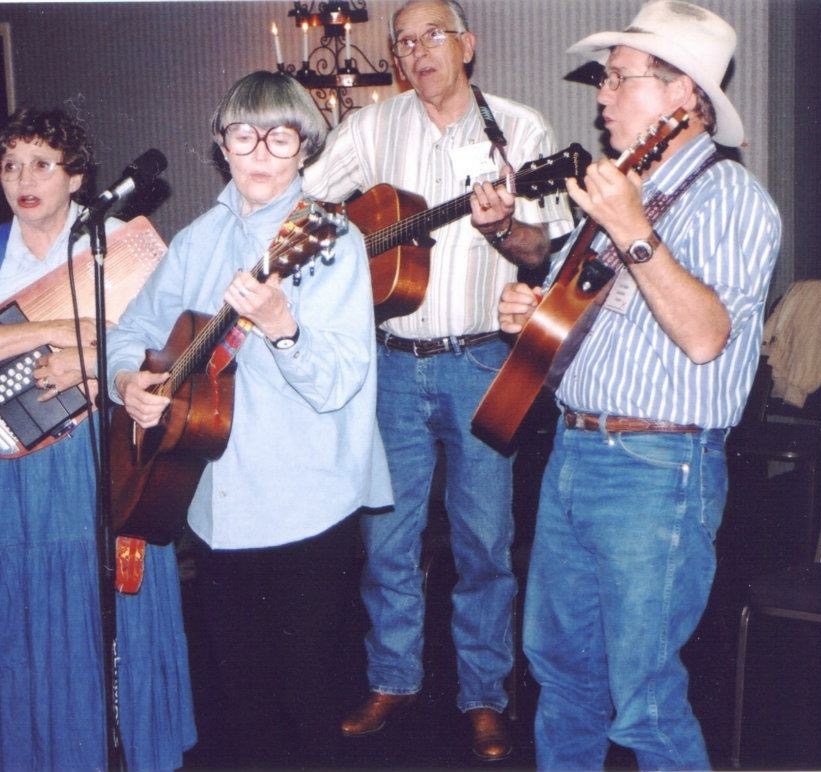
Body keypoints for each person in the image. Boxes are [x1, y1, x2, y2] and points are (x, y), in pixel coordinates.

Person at [497, 2, 781, 768]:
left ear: (682, 93)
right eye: (606, 79)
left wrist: (631, 230)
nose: (602, 96)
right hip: (572, 455)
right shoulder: (621, 192)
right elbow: (581, 323)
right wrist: (531, 316)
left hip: (658, 470)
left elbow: (705, 335)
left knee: (645, 701)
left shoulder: (730, 198)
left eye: (620, 78)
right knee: (561, 677)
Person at [301, 0, 574, 761]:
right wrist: (344, 253)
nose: (418, 51)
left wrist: (501, 227)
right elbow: (306, 203)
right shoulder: (371, 128)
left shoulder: (519, 132)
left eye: (433, 36)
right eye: (404, 41)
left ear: (467, 45)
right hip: (391, 362)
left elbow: (541, 250)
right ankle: (392, 678)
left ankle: (484, 697)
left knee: (485, 542)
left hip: (481, 362)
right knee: (386, 538)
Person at [105, 70, 392, 768]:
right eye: (244, 135)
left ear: (304, 148)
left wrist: (284, 327)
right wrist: (126, 381)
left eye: (279, 137)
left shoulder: (330, 239)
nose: (260, 152)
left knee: (308, 692)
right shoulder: (197, 239)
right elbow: (130, 330)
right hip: (213, 499)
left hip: (305, 500)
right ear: (221, 145)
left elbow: (340, 383)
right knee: (240, 696)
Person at [0, 107, 197, 770]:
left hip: (101, 452)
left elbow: (168, 349)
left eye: (41, 164)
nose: (23, 179)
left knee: (101, 603)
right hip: (6, 466)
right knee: (11, 614)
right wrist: (59, 331)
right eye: (10, 165)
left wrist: (90, 363)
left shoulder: (118, 244)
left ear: (76, 177)